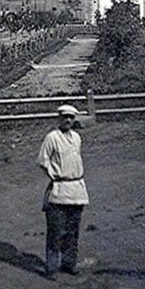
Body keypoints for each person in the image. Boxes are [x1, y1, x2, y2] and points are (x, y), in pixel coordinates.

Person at [37, 104, 90, 280]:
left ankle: (69, 264)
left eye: (71, 117)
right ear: (59, 118)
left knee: (72, 231)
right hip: (59, 191)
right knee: (56, 232)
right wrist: (54, 176)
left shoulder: (76, 138)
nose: (68, 120)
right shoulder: (52, 137)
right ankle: (52, 267)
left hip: (77, 190)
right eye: (65, 117)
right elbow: (43, 160)